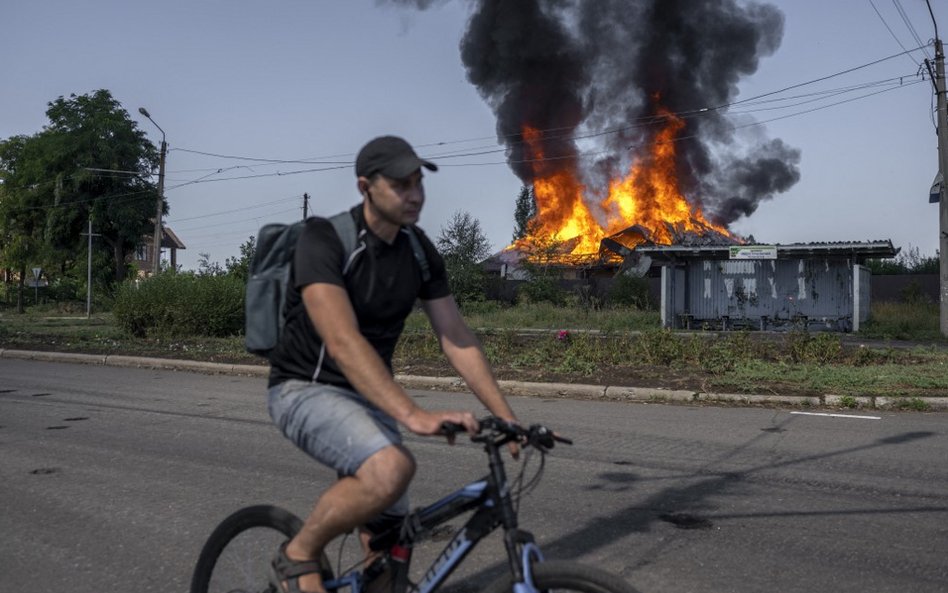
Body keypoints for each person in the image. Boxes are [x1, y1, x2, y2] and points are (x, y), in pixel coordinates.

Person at [266, 135, 518, 593]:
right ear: (366, 186)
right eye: (401, 184)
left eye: (419, 182)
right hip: (305, 389)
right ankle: (298, 553)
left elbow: (456, 337)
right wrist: (414, 416)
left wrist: (506, 415)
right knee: (391, 469)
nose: (416, 194)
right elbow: (341, 340)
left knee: (388, 556)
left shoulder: (418, 251)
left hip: (368, 396)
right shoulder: (324, 239)